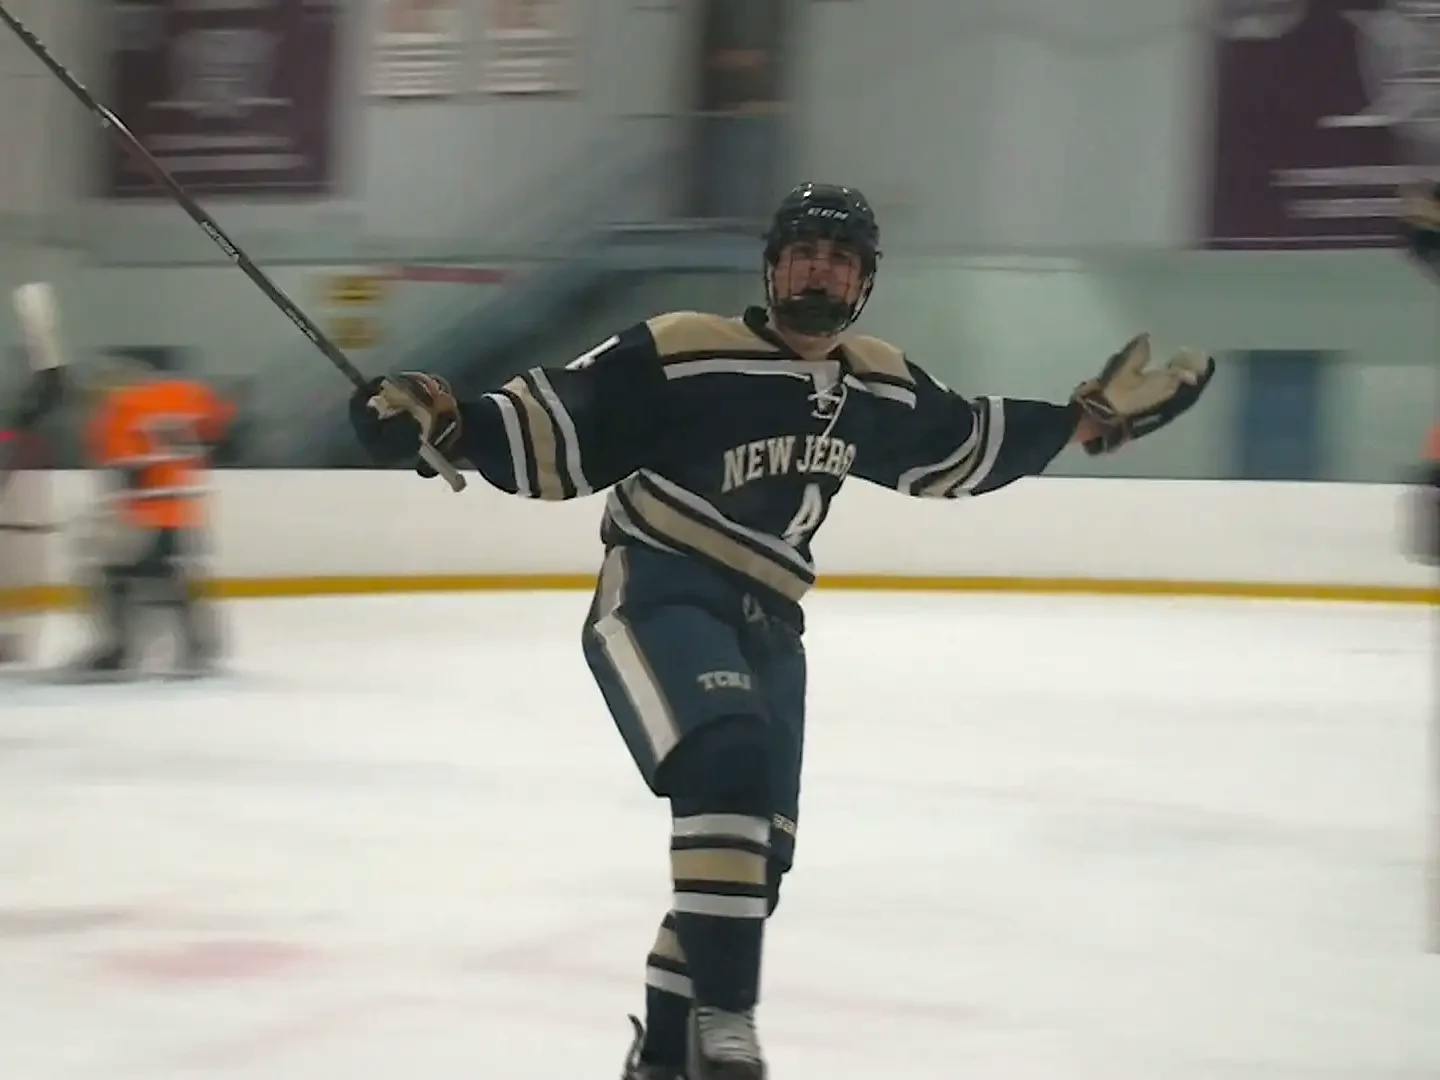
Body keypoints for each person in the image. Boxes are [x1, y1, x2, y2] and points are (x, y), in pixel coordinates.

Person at [350, 182, 1215, 1080]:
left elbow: (961, 444)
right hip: (660, 593)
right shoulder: (685, 350)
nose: (820, 268)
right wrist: (446, 419)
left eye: (841, 259)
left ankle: (664, 1056)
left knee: (749, 870)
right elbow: (563, 417)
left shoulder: (875, 379)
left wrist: (1085, 422)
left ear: (865, 283)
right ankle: (727, 1025)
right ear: (772, 266)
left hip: (771, 632)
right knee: (727, 760)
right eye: (805, 250)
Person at [67, 364, 235, 679]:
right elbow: (220, 418)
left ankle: (119, 650)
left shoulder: (120, 413)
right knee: (168, 579)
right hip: (184, 510)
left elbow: (128, 471)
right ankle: (198, 646)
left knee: (119, 581)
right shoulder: (179, 398)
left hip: (147, 516)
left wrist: (114, 512)